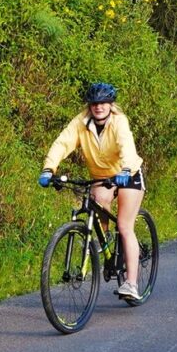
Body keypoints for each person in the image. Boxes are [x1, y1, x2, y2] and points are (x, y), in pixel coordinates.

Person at [40, 81, 147, 302]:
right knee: (97, 201)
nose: (99, 107)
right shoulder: (80, 123)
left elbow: (126, 145)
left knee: (124, 226)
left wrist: (126, 169)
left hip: (128, 174)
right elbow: (62, 143)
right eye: (94, 103)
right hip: (102, 177)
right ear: (89, 106)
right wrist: (49, 168)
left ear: (111, 104)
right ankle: (106, 247)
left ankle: (132, 283)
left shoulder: (119, 122)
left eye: (103, 103)